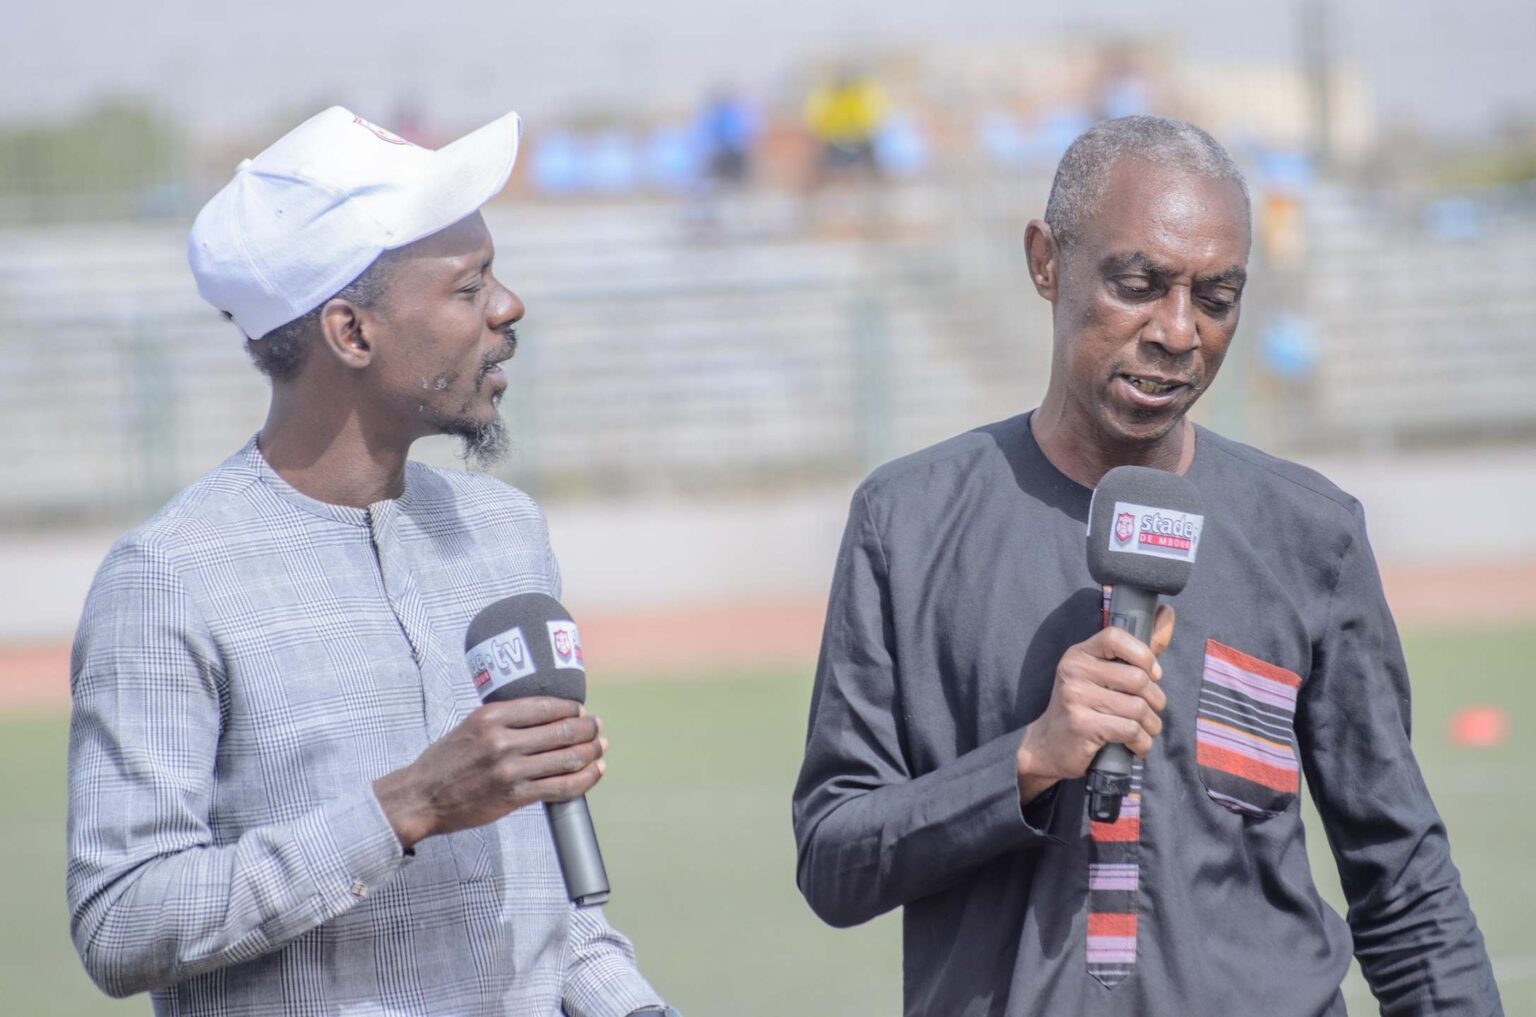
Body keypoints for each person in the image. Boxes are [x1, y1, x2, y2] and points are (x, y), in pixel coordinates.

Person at [791, 115, 1501, 1016]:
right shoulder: (907, 521)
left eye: (1217, 297)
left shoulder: (1310, 534)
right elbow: (834, 859)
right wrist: (1026, 760)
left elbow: (1404, 878)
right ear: (1046, 262)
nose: (1178, 330)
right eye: (1138, 284)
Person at [66, 107, 678, 1017]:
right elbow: (124, 921)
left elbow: (551, 915)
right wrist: (404, 807)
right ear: (351, 332)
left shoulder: (505, 532)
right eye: (469, 287)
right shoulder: (171, 577)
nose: (508, 306)